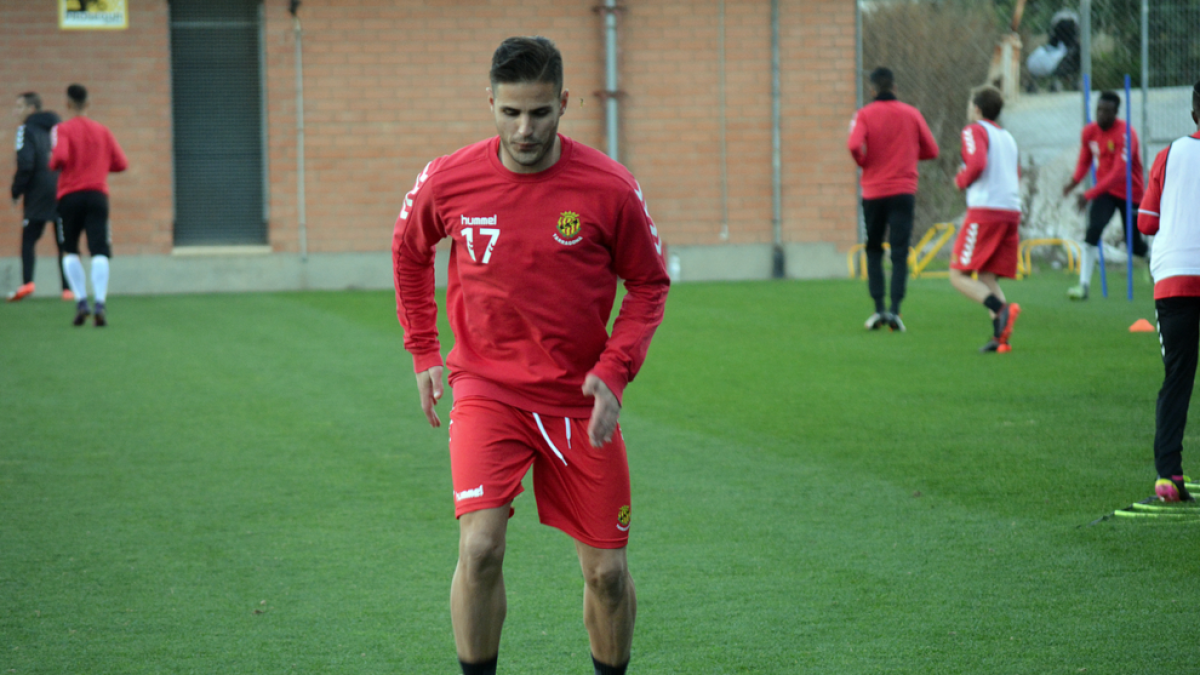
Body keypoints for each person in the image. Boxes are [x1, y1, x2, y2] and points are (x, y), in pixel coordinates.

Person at [392, 37, 669, 675]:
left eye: (540, 113)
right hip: (488, 389)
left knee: (606, 572)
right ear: (489, 102)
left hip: (580, 400)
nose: (525, 129)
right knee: (481, 546)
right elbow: (409, 250)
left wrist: (614, 369)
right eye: (510, 112)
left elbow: (649, 284)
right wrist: (424, 349)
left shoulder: (609, 187)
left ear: (564, 104)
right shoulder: (448, 178)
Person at [1135, 80, 1200, 502]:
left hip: (1174, 277)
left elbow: (1146, 222)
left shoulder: (1169, 153)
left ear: (1194, 112)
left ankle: (1168, 476)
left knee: (1177, 377)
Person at [848, 66, 939, 332]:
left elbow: (854, 145)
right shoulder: (912, 114)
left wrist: (863, 162)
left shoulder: (863, 115)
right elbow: (932, 150)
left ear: (873, 89)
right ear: (895, 88)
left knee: (874, 249)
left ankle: (878, 309)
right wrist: (908, 157)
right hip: (903, 191)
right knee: (899, 252)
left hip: (874, 192)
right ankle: (896, 311)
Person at [950, 86, 1022, 353]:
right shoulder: (1007, 137)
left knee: (958, 274)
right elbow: (1017, 173)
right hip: (1011, 210)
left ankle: (999, 309)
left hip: (986, 211)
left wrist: (961, 181)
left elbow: (977, 162)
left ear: (977, 108)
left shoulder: (974, 130)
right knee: (988, 276)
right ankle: (1000, 338)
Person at [49, 84, 127, 327]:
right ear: (88, 103)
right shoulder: (102, 131)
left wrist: (53, 164)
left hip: (70, 196)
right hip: (97, 196)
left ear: (68, 104)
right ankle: (100, 303)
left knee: (70, 249)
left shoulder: (63, 129)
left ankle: (82, 301)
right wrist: (100, 167)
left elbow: (60, 157)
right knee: (99, 249)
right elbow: (121, 163)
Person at [1062, 90, 1147, 300]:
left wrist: (1088, 193)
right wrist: (1073, 183)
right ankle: (1083, 286)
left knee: (1134, 245)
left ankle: (1150, 259)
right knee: (1093, 231)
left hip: (1131, 192)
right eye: (1099, 110)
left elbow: (1119, 173)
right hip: (1105, 192)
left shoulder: (1127, 134)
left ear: (1116, 112)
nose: (1101, 115)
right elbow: (1085, 160)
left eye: (1107, 111)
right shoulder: (1090, 132)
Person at [8, 91, 69, 302]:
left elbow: (26, 163)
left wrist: (16, 191)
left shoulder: (25, 130)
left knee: (29, 239)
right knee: (63, 241)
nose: (16, 112)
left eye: (20, 107)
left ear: (31, 109)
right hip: (61, 187)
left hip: (37, 192)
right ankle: (67, 289)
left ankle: (27, 284)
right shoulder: (58, 129)